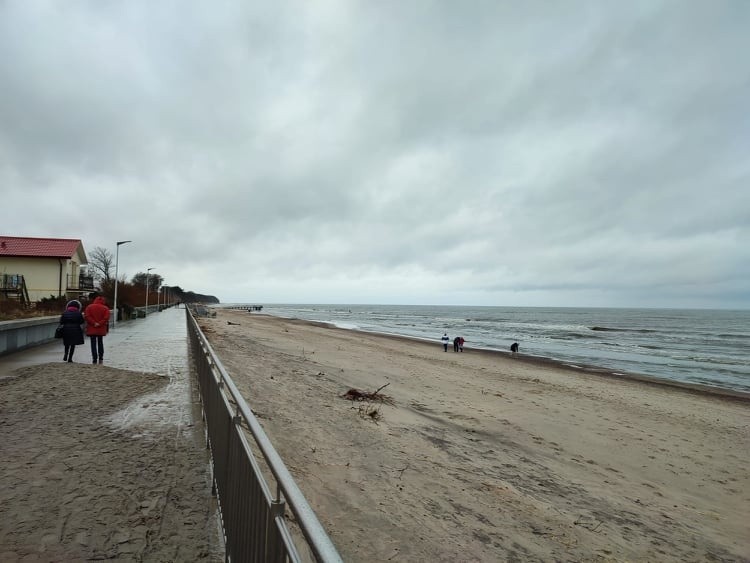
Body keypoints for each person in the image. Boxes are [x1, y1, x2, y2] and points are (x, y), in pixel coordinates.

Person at [85, 294, 111, 364]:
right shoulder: (105, 308)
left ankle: (94, 358)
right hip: (101, 328)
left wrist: (94, 323)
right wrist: (99, 323)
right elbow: (106, 318)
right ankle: (101, 358)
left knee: (93, 343)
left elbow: (87, 316)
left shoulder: (89, 307)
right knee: (100, 342)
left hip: (92, 328)